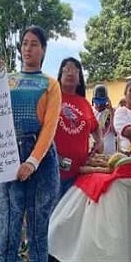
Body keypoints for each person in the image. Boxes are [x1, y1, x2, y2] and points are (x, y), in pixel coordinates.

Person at [0, 25, 61, 262]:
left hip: (41, 162)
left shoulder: (50, 84)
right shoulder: (8, 80)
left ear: (43, 51)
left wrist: (32, 162)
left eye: (34, 44)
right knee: (7, 230)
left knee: (37, 231)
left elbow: (50, 127)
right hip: (8, 157)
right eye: (25, 43)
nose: (28, 48)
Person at [54, 57, 101, 197]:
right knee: (54, 216)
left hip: (80, 173)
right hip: (54, 173)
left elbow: (95, 126)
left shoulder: (85, 104)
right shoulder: (51, 99)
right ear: (60, 75)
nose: (70, 73)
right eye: (66, 69)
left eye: (75, 70)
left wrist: (100, 141)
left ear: (79, 78)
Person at [92, 85, 116, 155]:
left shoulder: (112, 112)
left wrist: (111, 111)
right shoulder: (90, 112)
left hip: (110, 152)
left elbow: (114, 130)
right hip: (95, 152)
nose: (99, 105)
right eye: (97, 102)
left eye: (101, 103)